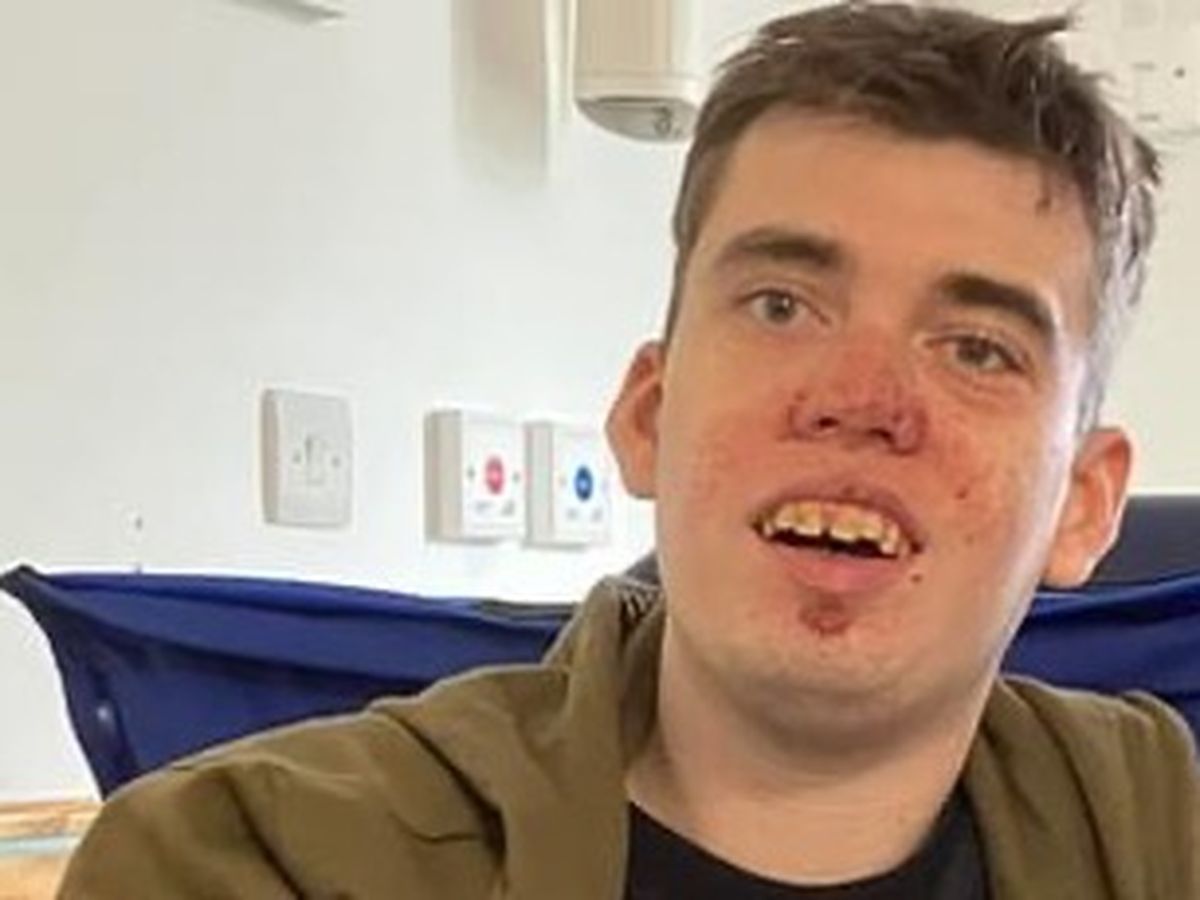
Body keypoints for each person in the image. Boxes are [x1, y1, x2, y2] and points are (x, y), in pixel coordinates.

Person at [61, 3, 1198, 898]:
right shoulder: (250, 860)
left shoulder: (1167, 839)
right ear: (650, 414)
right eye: (782, 305)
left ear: (1083, 504)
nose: (862, 403)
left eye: (979, 350)